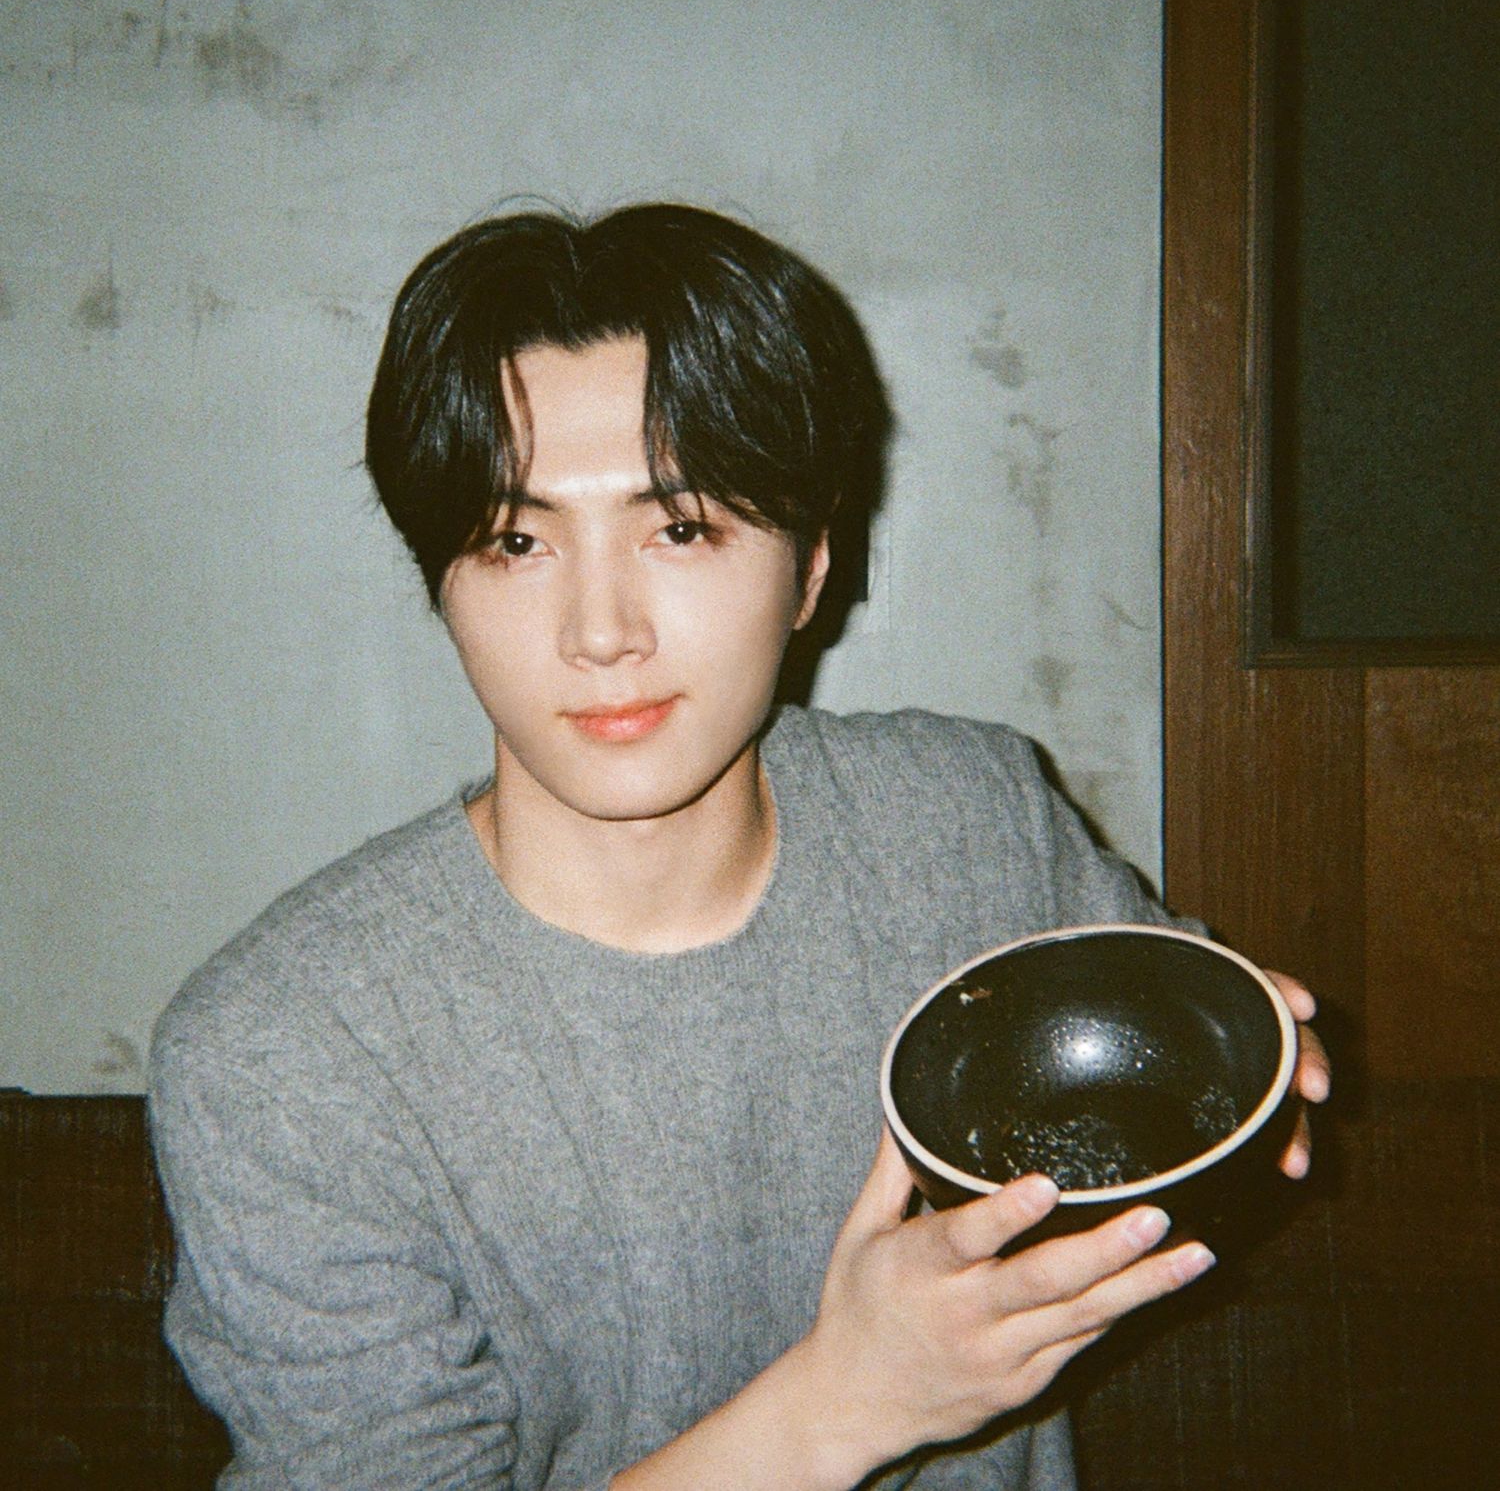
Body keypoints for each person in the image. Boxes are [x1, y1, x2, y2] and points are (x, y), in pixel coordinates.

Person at [149, 203, 1330, 1490]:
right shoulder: (285, 1053)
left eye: (682, 528)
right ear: (443, 581)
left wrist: (1257, 1073)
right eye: (516, 541)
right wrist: (847, 1404)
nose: (601, 632)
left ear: (812, 566)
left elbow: (1181, 1052)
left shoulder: (972, 822)